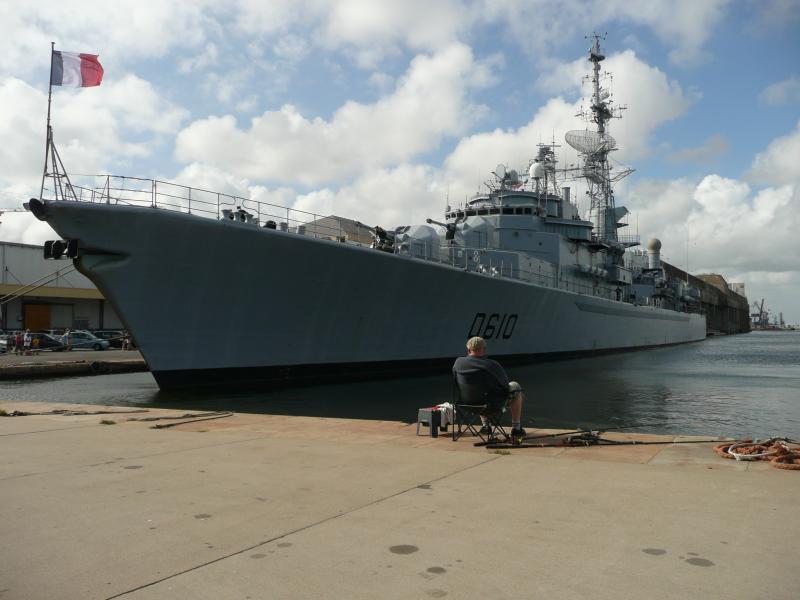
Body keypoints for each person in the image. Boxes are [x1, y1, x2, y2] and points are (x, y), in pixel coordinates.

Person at [452, 336, 526, 438]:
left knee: (477, 391)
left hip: (466, 404)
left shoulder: (458, 363)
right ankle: (516, 428)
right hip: (490, 405)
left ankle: (486, 426)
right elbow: (505, 386)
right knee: (515, 387)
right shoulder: (492, 365)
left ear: (468, 350)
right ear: (484, 350)